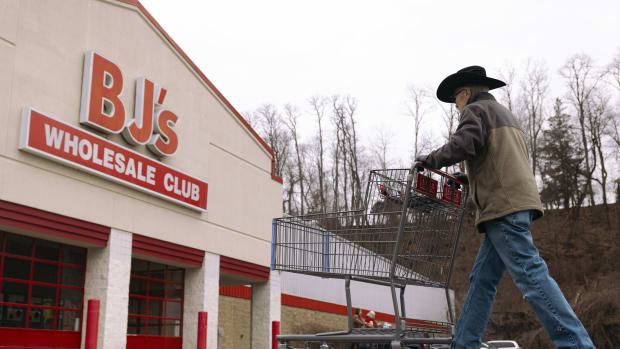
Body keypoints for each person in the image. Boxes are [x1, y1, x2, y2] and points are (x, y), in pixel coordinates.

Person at [415, 66, 595, 349]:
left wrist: (431, 160)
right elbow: (497, 159)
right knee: (482, 279)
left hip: (503, 207)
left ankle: (577, 344)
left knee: (532, 276)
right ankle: (464, 343)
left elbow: (463, 144)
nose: (456, 108)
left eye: (456, 100)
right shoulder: (506, 116)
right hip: (516, 203)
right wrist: (468, 177)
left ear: (466, 93)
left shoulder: (474, 112)